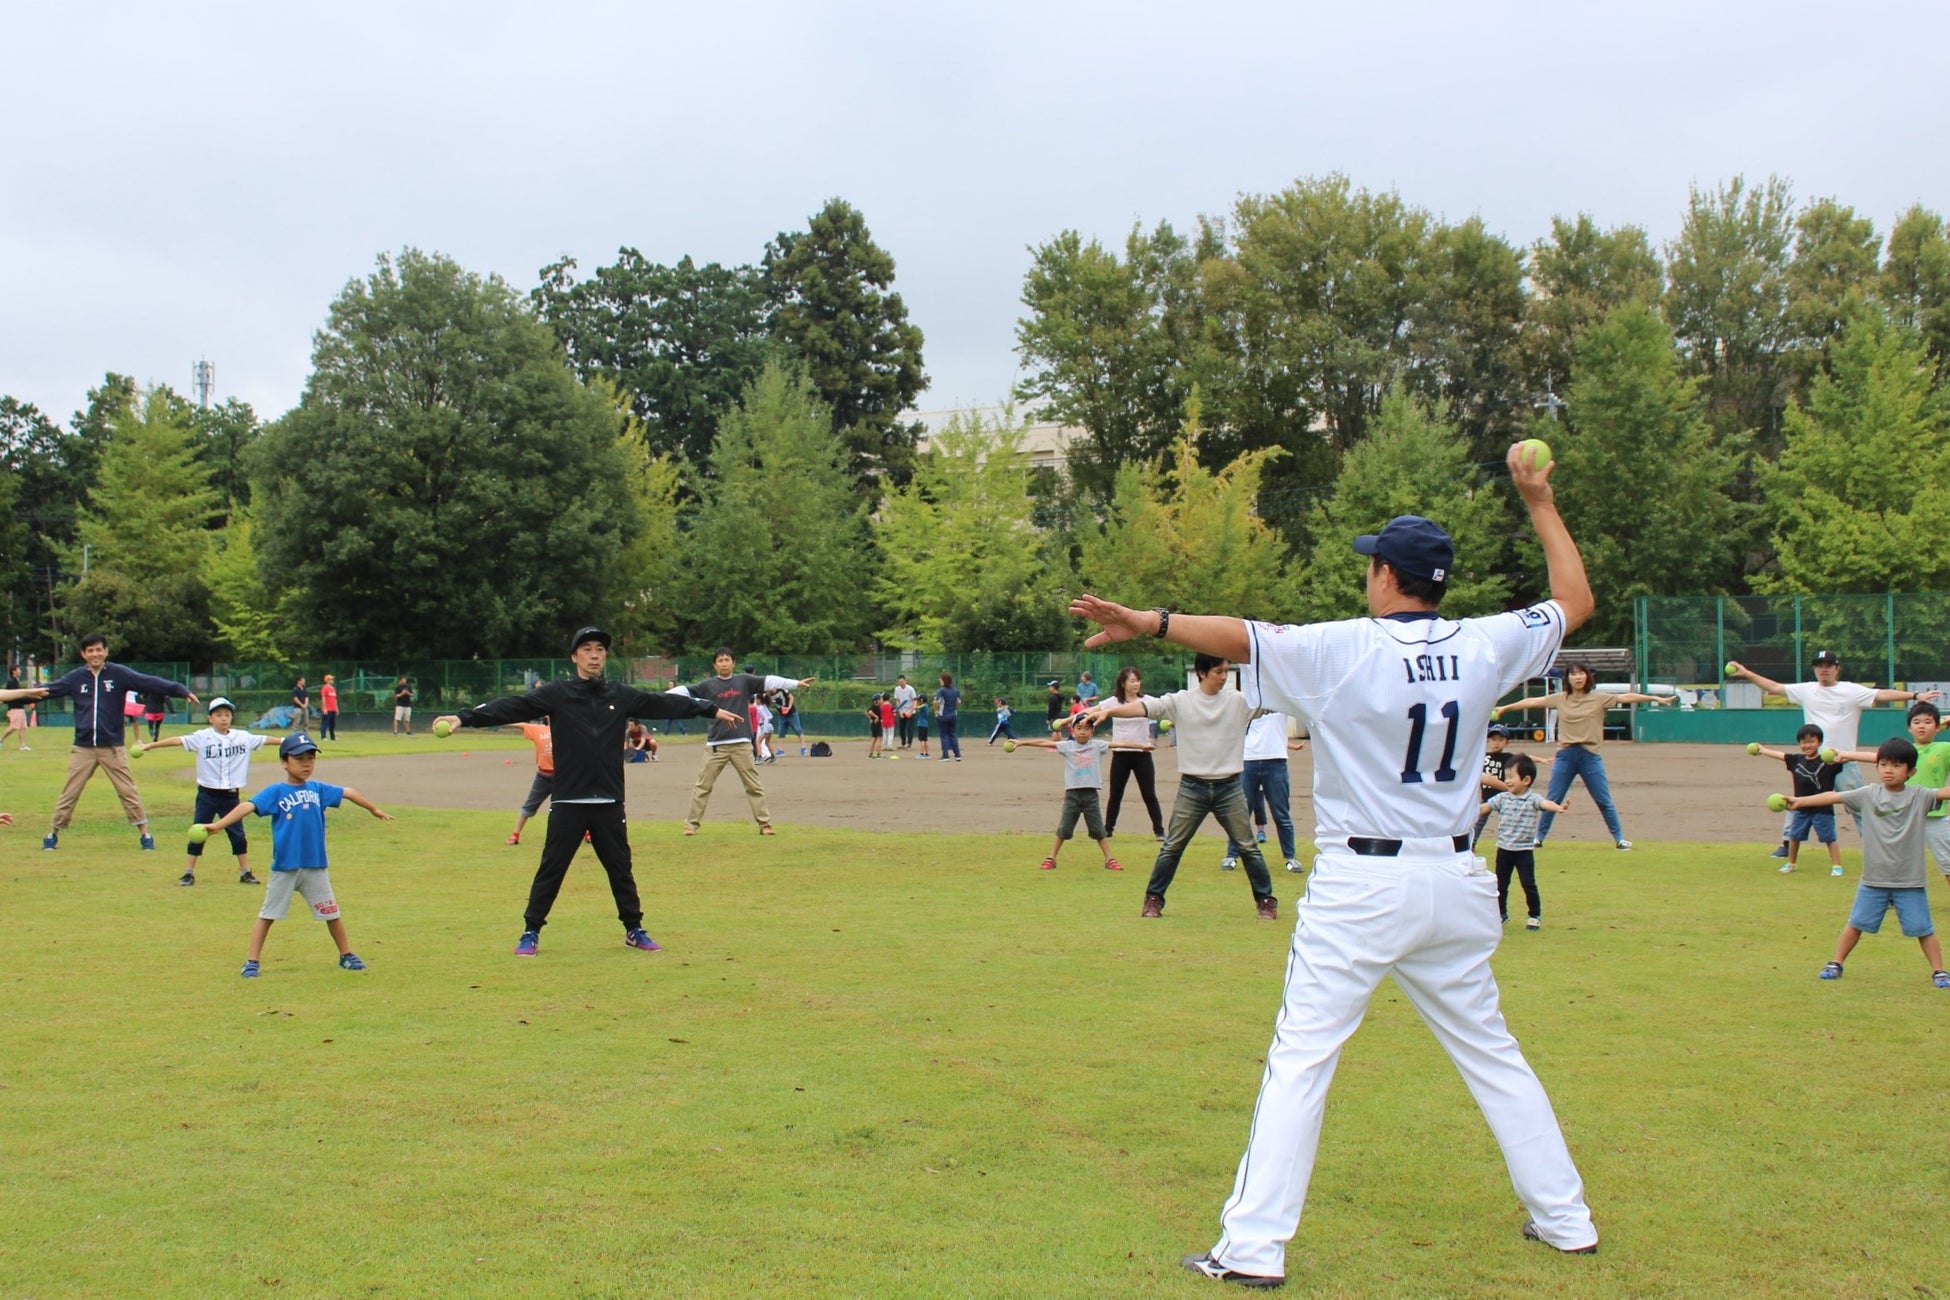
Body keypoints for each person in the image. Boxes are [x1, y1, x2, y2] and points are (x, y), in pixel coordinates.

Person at [1069, 444, 1602, 1284]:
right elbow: (1574, 598)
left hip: (1364, 885)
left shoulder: (1342, 648)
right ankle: (1566, 1221)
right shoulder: (1490, 643)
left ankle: (1250, 1249)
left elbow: (1236, 634)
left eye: (1373, 565)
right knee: (1491, 1052)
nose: (1369, 576)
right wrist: (1537, 496)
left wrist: (1150, 622)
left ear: (1389, 576)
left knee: (1303, 1056)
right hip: (1458, 877)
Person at [436, 626, 736, 955]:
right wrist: (465, 718)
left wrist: (709, 708)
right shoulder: (557, 694)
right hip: (568, 800)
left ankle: (634, 928)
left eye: (600, 649)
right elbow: (513, 706)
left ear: (605, 656)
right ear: (575, 656)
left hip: (608, 800)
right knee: (552, 867)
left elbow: (663, 703)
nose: (594, 654)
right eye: (587, 649)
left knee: (620, 868)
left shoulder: (620, 695)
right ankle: (531, 931)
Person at [1085, 654, 1278, 921]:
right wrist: (1108, 711)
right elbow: (1143, 707)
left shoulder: (1239, 702)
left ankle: (1265, 901)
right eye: (1218, 672)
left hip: (1229, 787)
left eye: (1226, 671)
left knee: (1248, 847)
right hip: (1193, 787)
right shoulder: (1181, 701)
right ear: (1201, 672)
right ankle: (1153, 899)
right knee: (1172, 846)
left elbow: (1277, 702)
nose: (1223, 677)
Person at [197, 732, 389, 977]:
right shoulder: (276, 792)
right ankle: (252, 961)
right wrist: (218, 825)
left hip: (315, 866)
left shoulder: (318, 789)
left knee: (332, 913)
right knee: (268, 915)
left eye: (310, 758)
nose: (306, 763)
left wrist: (373, 808)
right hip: (285, 867)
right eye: (299, 759)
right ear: (284, 762)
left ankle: (347, 955)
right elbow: (247, 806)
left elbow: (348, 792)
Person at [1729, 651, 1935, 851]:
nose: (1823, 670)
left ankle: (1874, 845)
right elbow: (1774, 686)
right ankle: (1787, 844)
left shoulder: (1851, 690)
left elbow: (1881, 694)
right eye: (1819, 666)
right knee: (1800, 801)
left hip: (1844, 760)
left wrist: (1916, 695)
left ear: (1837, 668)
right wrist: (1747, 673)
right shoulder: (1806, 690)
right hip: (1814, 760)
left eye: (1828, 666)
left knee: (1859, 806)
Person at [1788, 736, 1950, 989]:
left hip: (1910, 880)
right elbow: (1833, 796)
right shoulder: (1868, 794)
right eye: (1884, 764)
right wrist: (1800, 801)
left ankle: (1939, 971)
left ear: (1911, 771)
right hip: (1873, 880)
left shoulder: (1920, 796)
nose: (1888, 770)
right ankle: (1835, 963)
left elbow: (1945, 792)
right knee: (1856, 924)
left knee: (1923, 929)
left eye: (1896, 765)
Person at [40, 633, 197, 852]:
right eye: (90, 650)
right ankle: (52, 834)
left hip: (112, 747)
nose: (95, 654)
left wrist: (179, 689)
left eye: (99, 649)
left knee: (127, 791)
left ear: (105, 651)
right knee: (70, 792)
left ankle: (145, 835)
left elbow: (148, 682)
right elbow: (47, 690)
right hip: (83, 748)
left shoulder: (118, 674)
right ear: (83, 654)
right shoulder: (75, 678)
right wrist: (16, 697)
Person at [1495, 665, 1672, 850]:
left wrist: (1654, 698)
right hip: (1565, 755)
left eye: (1581, 673)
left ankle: (1619, 839)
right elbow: (1533, 701)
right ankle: (1538, 838)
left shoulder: (1599, 697)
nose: (1578, 677)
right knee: (1553, 799)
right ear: (1568, 678)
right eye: (1573, 674)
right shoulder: (1560, 698)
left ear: (1587, 677)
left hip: (1590, 756)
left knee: (1603, 800)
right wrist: (1506, 708)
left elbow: (1626, 697)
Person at [670, 649, 812, 836]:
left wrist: (795, 684)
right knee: (702, 786)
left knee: (753, 786)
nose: (723, 663)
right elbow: (685, 691)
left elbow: (769, 680)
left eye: (727, 659)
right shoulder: (708, 685)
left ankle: (765, 825)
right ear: (714, 665)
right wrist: (660, 696)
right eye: (719, 660)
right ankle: (691, 826)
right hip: (716, 745)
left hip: (741, 744)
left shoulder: (744, 681)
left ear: (733, 663)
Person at [134, 696, 268, 886]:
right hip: (207, 794)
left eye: (227, 715)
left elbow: (266, 740)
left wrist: (288, 740)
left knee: (237, 834)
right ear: (210, 718)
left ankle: (246, 872)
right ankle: (188, 873)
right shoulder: (202, 737)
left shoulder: (242, 737)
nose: (224, 718)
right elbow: (177, 741)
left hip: (231, 795)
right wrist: (149, 746)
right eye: (219, 714)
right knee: (198, 832)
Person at [1826, 699, 1950, 888]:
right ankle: (1890, 893)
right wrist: (1846, 755)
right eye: (1916, 722)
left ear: (1937, 726)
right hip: (1904, 814)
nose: (1921, 726)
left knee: (1947, 861)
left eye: (1928, 721)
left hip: (1935, 816)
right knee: (1895, 857)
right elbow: (1876, 756)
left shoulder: (1944, 748)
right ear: (1909, 728)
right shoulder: (1905, 752)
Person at [1008, 712, 1145, 871]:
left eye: (1087, 728)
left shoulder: (1096, 745)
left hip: (1090, 795)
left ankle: (1109, 859)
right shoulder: (1068, 746)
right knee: (1063, 829)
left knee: (1099, 831)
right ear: (1072, 730)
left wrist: (1142, 747)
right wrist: (1021, 743)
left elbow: (1120, 743)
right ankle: (1051, 858)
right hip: (1072, 795)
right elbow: (1044, 742)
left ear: (1092, 732)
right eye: (1079, 728)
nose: (1082, 732)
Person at [1480, 754, 1571, 929]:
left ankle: (1534, 915)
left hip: (1523, 852)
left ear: (1526, 779)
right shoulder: (1502, 798)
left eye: (1511, 777)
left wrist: (1558, 808)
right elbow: (1485, 807)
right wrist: (1466, 813)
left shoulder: (1532, 799)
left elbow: (1545, 804)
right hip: (1503, 850)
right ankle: (1501, 914)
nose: (1507, 781)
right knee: (1501, 885)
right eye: (1506, 777)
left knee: (1528, 884)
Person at [1749, 725, 1845, 875]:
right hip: (1801, 808)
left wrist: (1836, 754)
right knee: (1794, 837)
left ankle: (1837, 866)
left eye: (1811, 741)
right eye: (1803, 742)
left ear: (1819, 742)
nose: (1807, 745)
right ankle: (1791, 863)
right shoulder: (1797, 761)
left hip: (1822, 808)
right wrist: (1762, 750)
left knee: (1829, 838)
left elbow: (1843, 758)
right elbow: (1781, 756)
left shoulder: (1828, 762)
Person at [1221, 711, 1309, 875]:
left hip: (1276, 761)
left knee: (1281, 813)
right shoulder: (1248, 704)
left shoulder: (1279, 703)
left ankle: (1290, 857)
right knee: (1241, 813)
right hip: (1249, 761)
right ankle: (1231, 855)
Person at [1102, 667, 1166, 842]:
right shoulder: (1113, 702)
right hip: (1120, 755)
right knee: (1115, 794)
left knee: (1149, 794)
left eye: (1137, 680)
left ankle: (1159, 831)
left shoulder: (1146, 701)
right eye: (1132, 680)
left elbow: (1166, 707)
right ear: (1123, 683)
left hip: (1142, 755)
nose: (1136, 683)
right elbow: (1095, 711)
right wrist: (1072, 719)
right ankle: (1107, 830)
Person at [505, 720, 553, 845]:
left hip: (564, 777)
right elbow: (517, 724)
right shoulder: (537, 729)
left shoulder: (569, 728)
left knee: (573, 805)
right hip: (543, 776)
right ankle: (515, 835)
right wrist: (494, 717)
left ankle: (587, 833)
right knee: (529, 807)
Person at [1472, 724, 1519, 847]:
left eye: (1501, 740)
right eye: (1493, 740)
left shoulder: (1507, 757)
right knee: (1479, 821)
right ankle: (1472, 843)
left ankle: (1510, 842)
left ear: (1506, 742)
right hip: (1486, 796)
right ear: (1487, 740)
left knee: (1508, 820)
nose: (1496, 743)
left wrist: (1541, 760)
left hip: (1504, 796)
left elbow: (1523, 758)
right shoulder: (1482, 756)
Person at [935, 672, 963, 762]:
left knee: (944, 735)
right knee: (953, 735)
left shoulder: (941, 690)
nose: (940, 681)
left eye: (940, 680)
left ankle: (945, 755)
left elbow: (936, 702)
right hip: (953, 715)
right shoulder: (955, 690)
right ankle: (958, 755)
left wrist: (936, 711)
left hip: (943, 715)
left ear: (943, 680)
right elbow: (958, 702)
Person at [3, 664, 31, 750]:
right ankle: (0, 740)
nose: (20, 671)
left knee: (22, 727)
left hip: (20, 707)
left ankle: (22, 745)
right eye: (18, 669)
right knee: (14, 726)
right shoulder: (11, 682)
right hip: (14, 708)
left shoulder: (16, 681)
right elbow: (11, 695)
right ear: (14, 671)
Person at [773, 687, 805, 756]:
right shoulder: (767, 694)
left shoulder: (782, 689)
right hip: (782, 715)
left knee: (798, 730)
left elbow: (791, 697)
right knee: (781, 732)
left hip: (792, 713)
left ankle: (803, 748)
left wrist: (789, 707)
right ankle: (781, 750)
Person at [893, 676, 917, 749]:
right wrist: (899, 711)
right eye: (899, 682)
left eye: (902, 682)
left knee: (910, 728)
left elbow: (915, 700)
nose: (901, 683)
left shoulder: (910, 689)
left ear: (905, 681)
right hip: (902, 711)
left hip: (910, 711)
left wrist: (911, 711)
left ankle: (909, 743)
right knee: (901, 728)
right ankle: (903, 743)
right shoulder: (897, 689)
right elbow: (897, 700)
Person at [318, 673, 339, 741]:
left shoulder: (333, 689)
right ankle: (323, 736)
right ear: (327, 680)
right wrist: (324, 708)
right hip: (327, 709)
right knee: (325, 723)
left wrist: (336, 708)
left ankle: (332, 736)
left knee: (332, 724)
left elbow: (335, 699)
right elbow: (323, 698)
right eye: (331, 679)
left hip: (333, 709)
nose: (332, 680)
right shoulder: (325, 688)